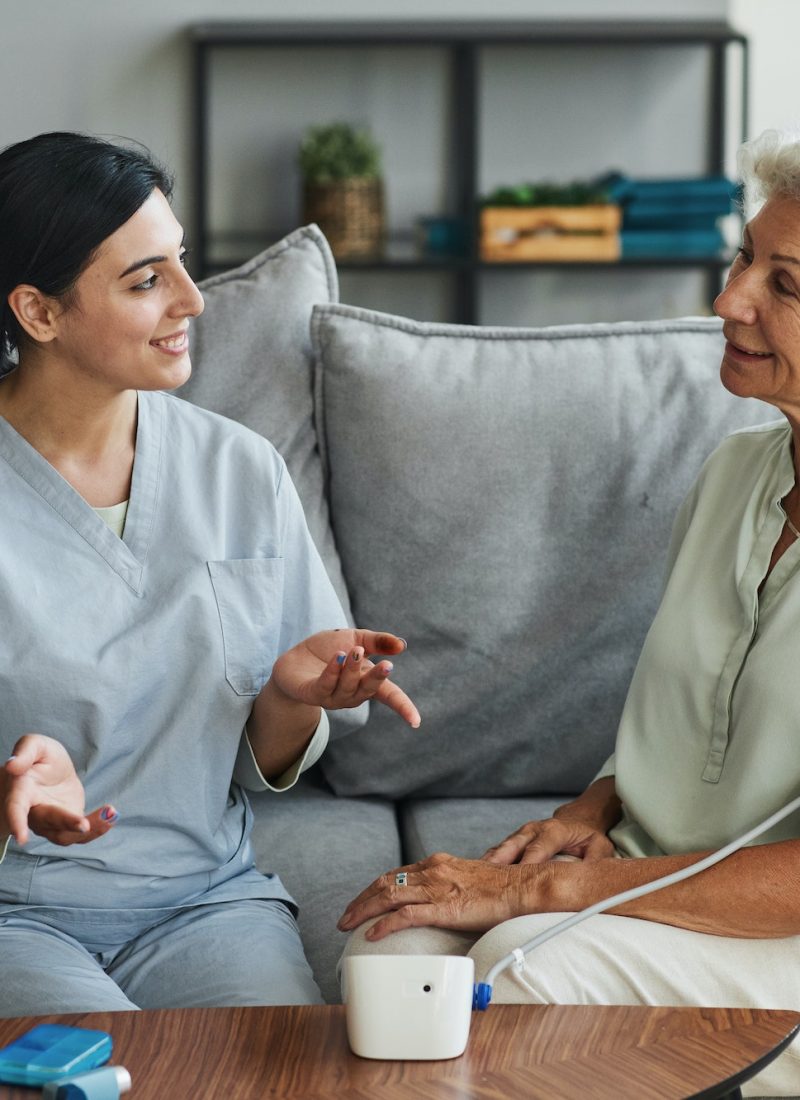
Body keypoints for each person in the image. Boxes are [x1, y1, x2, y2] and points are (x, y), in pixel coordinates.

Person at [338, 129, 800, 1097]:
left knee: (517, 972)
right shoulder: (733, 477)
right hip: (645, 872)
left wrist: (549, 889)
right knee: (391, 958)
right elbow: (682, 716)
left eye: (782, 286)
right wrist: (588, 809)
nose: (726, 302)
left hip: (774, 937)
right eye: (739, 260)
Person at [0, 130, 420, 1016]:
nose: (193, 299)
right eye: (146, 280)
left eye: (181, 262)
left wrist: (295, 694)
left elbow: (259, 757)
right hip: (18, 916)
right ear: (38, 312)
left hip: (207, 905)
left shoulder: (239, 469)